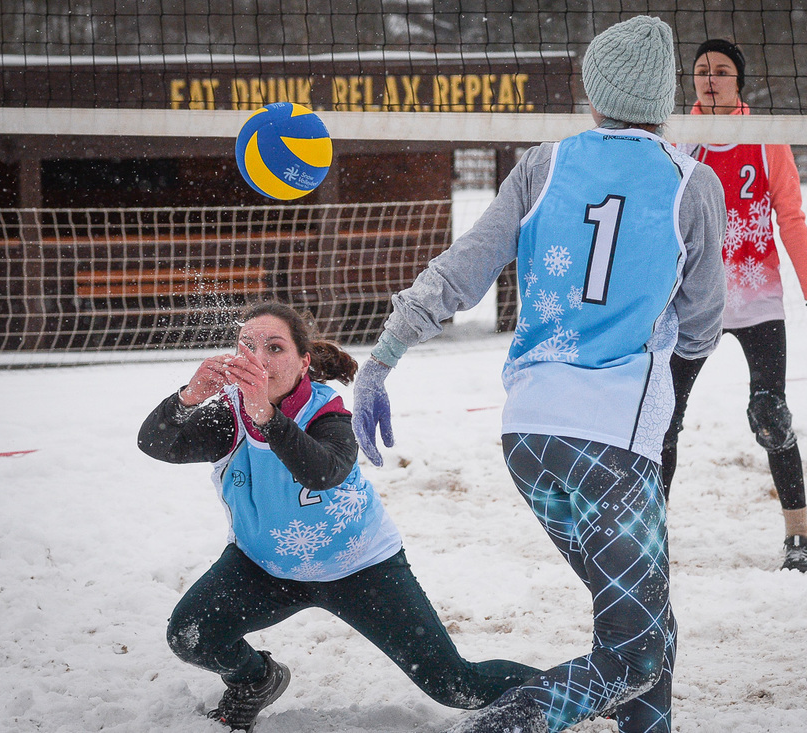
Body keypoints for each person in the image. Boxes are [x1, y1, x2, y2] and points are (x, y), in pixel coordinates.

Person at [351, 16, 727, 733]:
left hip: (528, 439)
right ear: (665, 101)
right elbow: (706, 324)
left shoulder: (544, 162)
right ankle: (497, 726)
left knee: (648, 626)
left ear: (595, 95)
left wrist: (383, 358)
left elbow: (461, 269)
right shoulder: (691, 182)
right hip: (611, 449)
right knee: (634, 652)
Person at [137, 300, 538, 732]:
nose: (259, 358)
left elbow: (321, 471)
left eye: (274, 348)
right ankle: (255, 680)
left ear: (303, 362)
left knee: (457, 686)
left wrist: (266, 416)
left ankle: (580, 688)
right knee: (190, 635)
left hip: (360, 568)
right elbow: (158, 444)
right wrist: (188, 397)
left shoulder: (328, 413)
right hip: (265, 567)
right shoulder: (229, 415)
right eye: (246, 346)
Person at [666, 38, 807, 573]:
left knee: (771, 415)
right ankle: (650, 534)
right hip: (693, 301)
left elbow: (790, 217)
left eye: (722, 70)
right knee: (662, 421)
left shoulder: (764, 137)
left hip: (758, 299)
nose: (711, 78)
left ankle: (799, 534)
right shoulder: (676, 139)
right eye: (702, 71)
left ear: (739, 81)